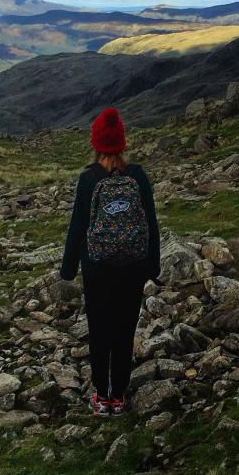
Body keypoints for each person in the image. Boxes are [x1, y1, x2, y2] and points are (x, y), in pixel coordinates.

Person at [60, 107, 160, 416]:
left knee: (100, 329)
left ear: (96, 144)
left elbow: (78, 227)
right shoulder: (138, 176)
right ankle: (119, 395)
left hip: (97, 267)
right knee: (124, 330)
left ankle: (101, 396)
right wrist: (152, 266)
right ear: (122, 144)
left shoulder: (89, 179)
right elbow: (151, 223)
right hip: (133, 266)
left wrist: (68, 268)